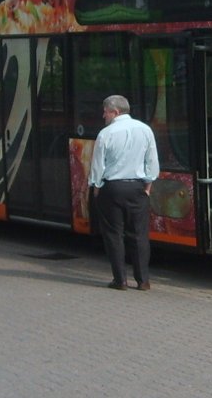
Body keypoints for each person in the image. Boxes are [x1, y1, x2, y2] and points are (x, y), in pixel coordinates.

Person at [89, 95, 159, 291]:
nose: (103, 115)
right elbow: (152, 161)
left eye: (105, 111)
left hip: (112, 188)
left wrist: (96, 187)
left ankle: (120, 280)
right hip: (137, 188)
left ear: (115, 112)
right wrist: (148, 186)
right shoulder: (145, 129)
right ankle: (143, 281)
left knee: (114, 235)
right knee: (139, 235)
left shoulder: (105, 134)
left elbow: (97, 165)